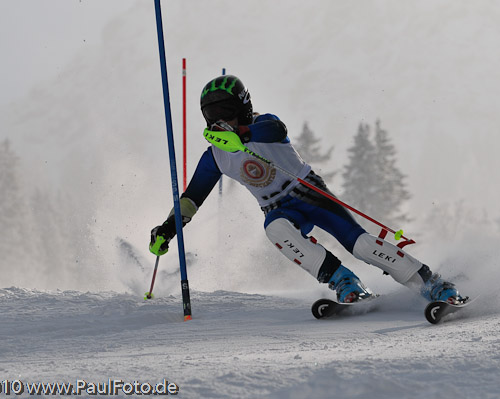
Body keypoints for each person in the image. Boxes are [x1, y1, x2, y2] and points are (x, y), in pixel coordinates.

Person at [150, 75, 465, 304]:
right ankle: (344, 282)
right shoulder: (215, 156)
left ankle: (433, 284)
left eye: (227, 111)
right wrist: (167, 229)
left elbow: (276, 130)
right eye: (212, 115)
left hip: (310, 193)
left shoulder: (263, 124)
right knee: (275, 230)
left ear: (244, 107)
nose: (220, 121)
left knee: (362, 246)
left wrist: (243, 133)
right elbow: (192, 199)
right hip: (278, 209)